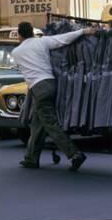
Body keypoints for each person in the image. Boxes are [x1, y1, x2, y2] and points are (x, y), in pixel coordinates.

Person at [11, 21, 96, 171]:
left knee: (51, 124)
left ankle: (75, 154)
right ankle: (31, 158)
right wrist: (83, 32)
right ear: (32, 32)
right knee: (38, 123)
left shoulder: (16, 53)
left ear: (19, 34)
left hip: (38, 88)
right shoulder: (42, 42)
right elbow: (63, 38)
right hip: (51, 83)